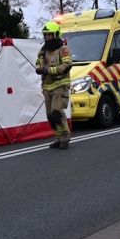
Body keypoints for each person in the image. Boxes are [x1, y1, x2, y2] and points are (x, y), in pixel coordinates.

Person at [35, 21, 73, 149]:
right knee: (50, 115)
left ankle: (65, 137)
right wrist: (38, 67)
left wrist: (49, 70)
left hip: (60, 86)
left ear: (56, 35)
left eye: (49, 35)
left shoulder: (63, 49)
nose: (47, 37)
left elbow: (67, 65)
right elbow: (38, 60)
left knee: (57, 112)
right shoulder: (43, 50)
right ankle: (57, 137)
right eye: (45, 35)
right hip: (47, 86)